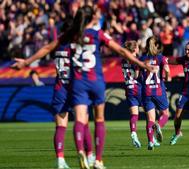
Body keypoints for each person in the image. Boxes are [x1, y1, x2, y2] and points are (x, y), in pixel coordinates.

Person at [63, 6, 155, 169]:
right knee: (99, 119)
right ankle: (98, 160)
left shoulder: (71, 34)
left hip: (78, 81)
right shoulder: (98, 34)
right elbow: (120, 49)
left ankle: (83, 152)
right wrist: (142, 64)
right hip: (96, 80)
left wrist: (27, 62)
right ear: (92, 18)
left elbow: (49, 47)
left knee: (80, 119)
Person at [11, 17, 95, 169]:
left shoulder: (59, 45)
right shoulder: (78, 46)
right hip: (76, 88)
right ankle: (89, 155)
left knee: (60, 127)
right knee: (83, 123)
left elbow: (44, 51)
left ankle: (60, 160)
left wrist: (26, 62)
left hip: (60, 88)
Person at [139, 36, 171, 150]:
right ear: (157, 46)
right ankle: (159, 125)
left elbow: (138, 76)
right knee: (165, 114)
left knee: (150, 119)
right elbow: (167, 72)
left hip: (146, 91)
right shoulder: (161, 58)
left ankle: (151, 142)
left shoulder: (142, 58)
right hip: (158, 90)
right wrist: (167, 77)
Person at [121, 40, 142, 148]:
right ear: (134, 49)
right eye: (137, 47)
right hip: (137, 88)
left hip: (128, 89)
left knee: (134, 115)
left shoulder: (123, 60)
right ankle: (152, 138)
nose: (139, 49)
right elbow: (137, 75)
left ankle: (134, 133)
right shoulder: (136, 60)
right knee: (151, 110)